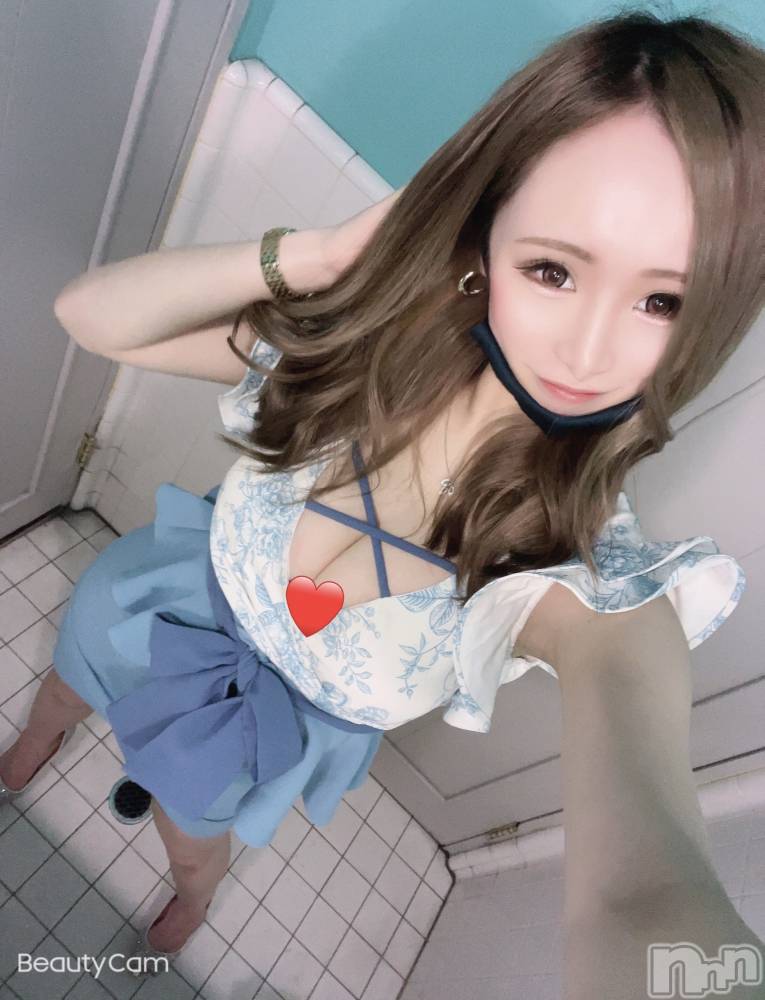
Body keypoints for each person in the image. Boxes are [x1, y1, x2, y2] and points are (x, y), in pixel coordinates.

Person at [2, 8, 765, 994]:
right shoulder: (361, 357)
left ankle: (194, 888)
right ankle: (43, 728)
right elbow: (91, 318)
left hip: (245, 742)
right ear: (484, 235)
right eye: (552, 269)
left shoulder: (576, 575)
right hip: (143, 604)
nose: (586, 352)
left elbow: (645, 895)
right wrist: (316, 257)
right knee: (72, 674)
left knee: (193, 843)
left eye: (662, 301)